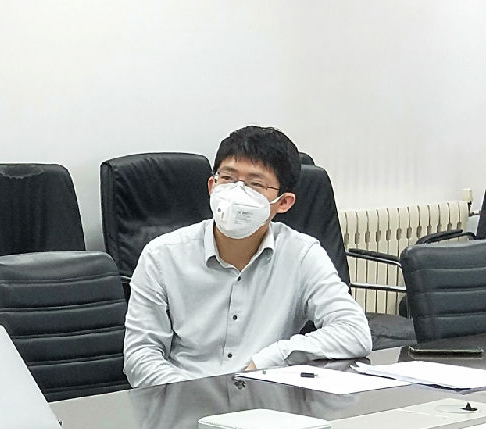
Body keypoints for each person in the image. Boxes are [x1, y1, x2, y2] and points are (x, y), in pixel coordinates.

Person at [123, 126, 372, 387]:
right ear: (212, 186)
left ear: (284, 202)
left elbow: (354, 332)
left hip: (265, 398)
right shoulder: (161, 256)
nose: (238, 192)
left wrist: (273, 357)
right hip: (183, 398)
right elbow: (140, 357)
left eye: (255, 184)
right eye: (228, 178)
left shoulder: (301, 254)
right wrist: (191, 396)